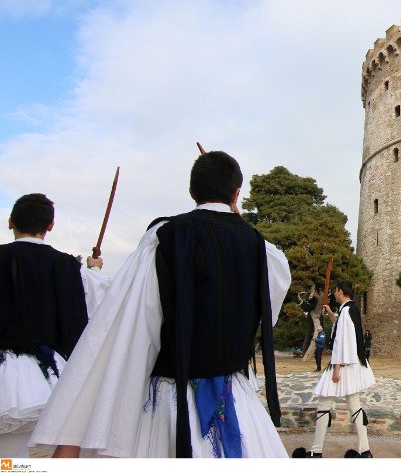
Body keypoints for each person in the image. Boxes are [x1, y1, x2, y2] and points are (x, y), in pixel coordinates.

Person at [29, 151, 292, 458]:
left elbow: (132, 329)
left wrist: (75, 433)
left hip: (171, 401)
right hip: (236, 399)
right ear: (236, 194)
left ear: (191, 191)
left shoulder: (167, 237)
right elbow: (267, 310)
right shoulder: (263, 249)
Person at [0, 193, 109, 458]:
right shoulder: (66, 266)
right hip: (44, 377)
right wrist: (94, 270)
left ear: (11, 221)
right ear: (50, 225)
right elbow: (95, 310)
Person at [293, 281, 375, 458]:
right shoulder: (351, 309)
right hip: (352, 364)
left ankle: (316, 452)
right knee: (355, 406)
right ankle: (365, 451)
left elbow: (341, 341)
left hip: (342, 364)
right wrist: (330, 313)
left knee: (324, 404)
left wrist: (336, 367)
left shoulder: (346, 311)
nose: (333, 294)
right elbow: (341, 329)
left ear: (340, 291)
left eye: (335, 291)